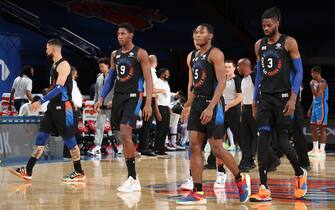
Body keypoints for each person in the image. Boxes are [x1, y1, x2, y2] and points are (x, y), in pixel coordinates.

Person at [176, 23, 250, 205]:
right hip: (197, 102)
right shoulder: (191, 56)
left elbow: (222, 83)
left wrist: (211, 107)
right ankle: (198, 191)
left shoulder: (215, 54)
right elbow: (192, 83)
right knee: (194, 146)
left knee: (216, 147)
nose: (196, 35)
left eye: (201, 32)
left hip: (214, 102)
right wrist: (188, 104)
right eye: (194, 32)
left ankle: (240, 179)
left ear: (210, 36)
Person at [8, 38, 85, 181]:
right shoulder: (54, 66)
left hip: (63, 108)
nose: (46, 50)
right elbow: (53, 88)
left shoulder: (64, 65)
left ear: (53, 49)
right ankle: (28, 170)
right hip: (52, 108)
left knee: (70, 141)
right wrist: (40, 98)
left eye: (47, 48)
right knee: (41, 138)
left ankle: (79, 171)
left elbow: (60, 88)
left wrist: (42, 100)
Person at [250, 7, 307, 202]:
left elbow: (299, 72)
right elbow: (259, 73)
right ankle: (263, 187)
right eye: (263, 25)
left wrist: (293, 98)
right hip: (265, 98)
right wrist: (254, 99)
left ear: (277, 23)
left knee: (282, 142)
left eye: (269, 25)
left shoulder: (289, 42)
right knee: (262, 141)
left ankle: (300, 174)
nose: (265, 28)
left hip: (283, 98)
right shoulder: (259, 45)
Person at [94, 23, 153, 192]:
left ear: (131, 35)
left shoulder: (140, 53)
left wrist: (148, 102)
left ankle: (133, 178)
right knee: (120, 134)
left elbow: (148, 79)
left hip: (134, 96)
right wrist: (102, 97)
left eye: (123, 34)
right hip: (118, 97)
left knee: (126, 132)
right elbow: (110, 78)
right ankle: (132, 175)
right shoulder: (115, 54)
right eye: (118, 34)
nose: (119, 36)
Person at [89, 57, 114, 156]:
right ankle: (97, 146)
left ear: (108, 66)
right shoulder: (99, 78)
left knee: (115, 128)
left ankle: (121, 145)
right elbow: (96, 93)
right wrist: (95, 104)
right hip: (102, 106)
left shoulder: (113, 77)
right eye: (99, 67)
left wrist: (113, 100)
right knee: (99, 126)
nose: (101, 68)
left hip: (111, 106)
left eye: (102, 66)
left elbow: (116, 90)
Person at [139, 54, 162, 156]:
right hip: (148, 99)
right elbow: (150, 88)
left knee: (146, 124)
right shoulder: (151, 72)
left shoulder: (148, 71)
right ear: (155, 63)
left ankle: (144, 147)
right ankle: (144, 148)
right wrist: (162, 90)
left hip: (146, 99)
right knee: (146, 125)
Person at [237, 58, 257, 172]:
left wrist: (256, 109)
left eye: (239, 66)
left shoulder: (254, 77)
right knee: (246, 138)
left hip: (253, 109)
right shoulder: (242, 79)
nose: (237, 68)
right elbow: (243, 97)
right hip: (245, 110)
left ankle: (271, 160)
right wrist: (241, 111)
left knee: (256, 137)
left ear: (245, 66)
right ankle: (246, 162)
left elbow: (259, 94)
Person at [307, 66, 328, 159]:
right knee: (312, 127)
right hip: (315, 106)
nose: (311, 74)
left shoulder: (323, 82)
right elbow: (314, 98)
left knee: (322, 128)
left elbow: (318, 94)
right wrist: (310, 109)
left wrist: (311, 86)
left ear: (316, 73)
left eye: (312, 73)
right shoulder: (314, 82)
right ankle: (315, 149)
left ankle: (322, 150)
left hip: (322, 107)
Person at [154, 68, 171, 155]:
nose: (168, 75)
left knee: (165, 129)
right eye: (166, 73)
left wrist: (169, 108)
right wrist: (157, 111)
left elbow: (167, 97)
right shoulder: (158, 82)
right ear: (161, 74)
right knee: (160, 128)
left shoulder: (166, 83)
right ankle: (157, 148)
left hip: (166, 107)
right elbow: (155, 97)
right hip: (160, 107)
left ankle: (162, 147)